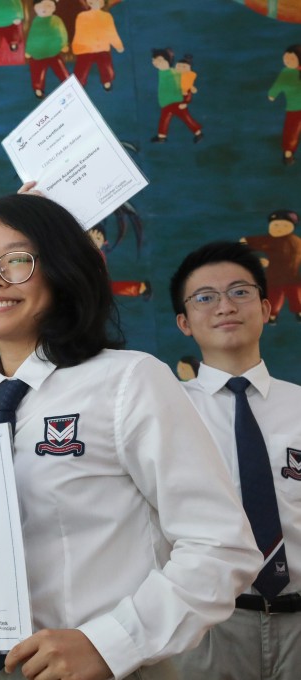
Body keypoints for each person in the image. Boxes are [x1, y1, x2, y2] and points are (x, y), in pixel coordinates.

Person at [0, 193, 262, 680]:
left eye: (16, 260)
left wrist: (109, 644)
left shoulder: (127, 381)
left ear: (60, 268)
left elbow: (221, 546)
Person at [169, 241, 301, 680]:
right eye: (205, 297)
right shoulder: (161, 412)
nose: (225, 306)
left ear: (266, 308)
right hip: (206, 630)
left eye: (240, 292)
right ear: (184, 323)